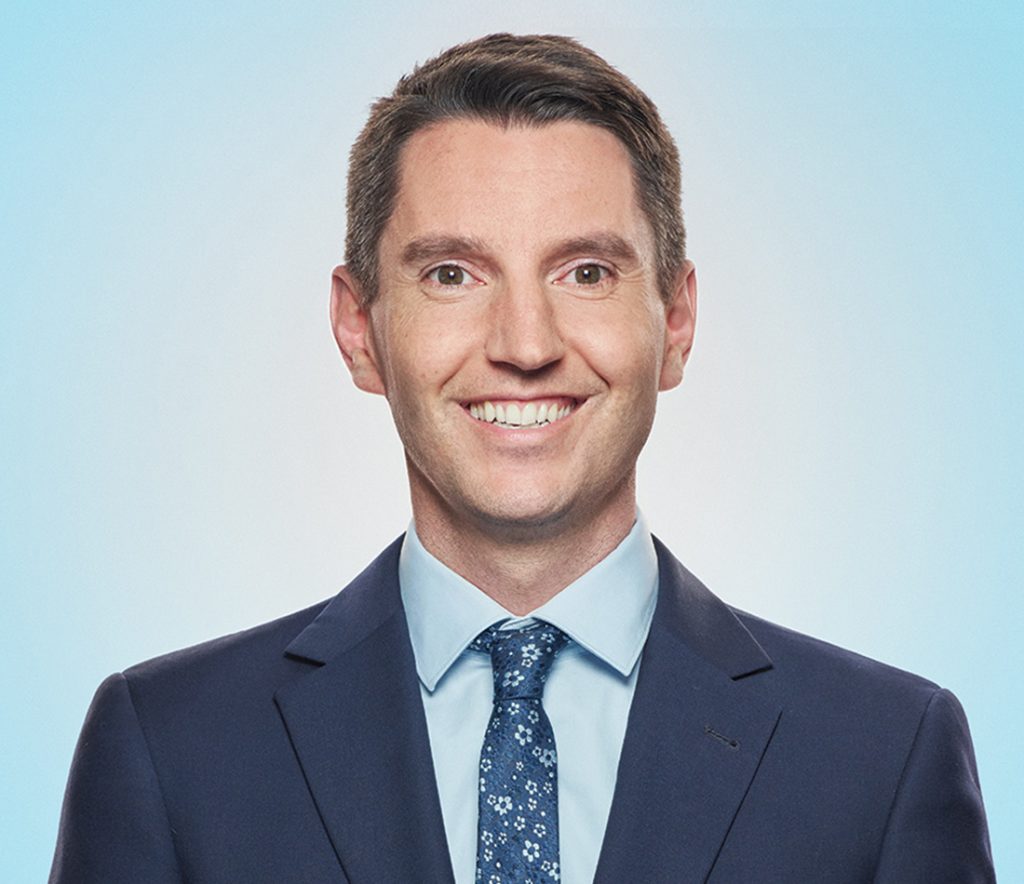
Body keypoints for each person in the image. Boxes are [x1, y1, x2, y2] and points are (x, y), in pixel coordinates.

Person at [50, 33, 994, 884]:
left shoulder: (884, 757)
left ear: (675, 322)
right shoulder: (169, 748)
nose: (525, 343)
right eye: (451, 274)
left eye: (586, 272)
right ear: (359, 328)